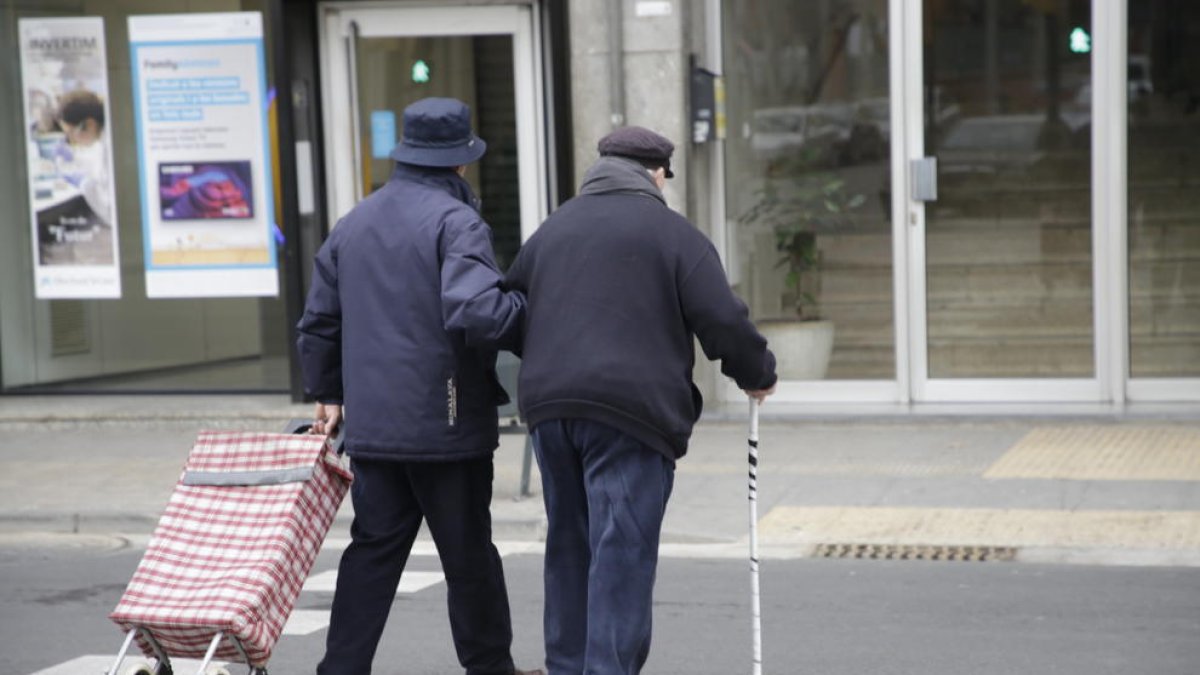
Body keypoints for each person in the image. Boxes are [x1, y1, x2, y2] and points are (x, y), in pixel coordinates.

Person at [503, 126, 778, 674]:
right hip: (631, 414)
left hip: (550, 410)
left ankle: (568, 667)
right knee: (621, 554)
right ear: (656, 174)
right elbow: (721, 318)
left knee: (569, 548)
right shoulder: (673, 234)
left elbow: (510, 304)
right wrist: (757, 373)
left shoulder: (552, 230)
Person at [296, 97, 542, 675]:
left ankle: (340, 670)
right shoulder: (457, 222)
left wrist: (327, 394)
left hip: (375, 429)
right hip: (445, 425)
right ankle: (490, 670)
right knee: (468, 557)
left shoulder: (353, 223)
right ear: (460, 164)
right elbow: (478, 311)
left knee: (372, 554)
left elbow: (318, 323)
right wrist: (531, 314)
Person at [55, 89, 113, 225]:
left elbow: (112, 212)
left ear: (90, 124)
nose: (71, 140)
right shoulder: (103, 136)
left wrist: (84, 184)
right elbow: (96, 163)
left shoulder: (109, 145)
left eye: (71, 133)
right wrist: (75, 158)